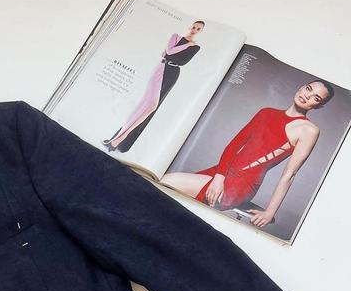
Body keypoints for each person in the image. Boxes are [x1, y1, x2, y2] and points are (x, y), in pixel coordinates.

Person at [161, 80, 334, 227]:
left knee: (167, 182)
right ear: (301, 87)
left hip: (240, 185)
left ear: (318, 106)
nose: (307, 96)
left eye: (316, 98)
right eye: (308, 89)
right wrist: (219, 177)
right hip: (221, 172)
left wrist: (270, 212)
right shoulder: (266, 112)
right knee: (170, 197)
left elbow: (290, 174)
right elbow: (234, 145)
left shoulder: (308, 130)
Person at [103, 21, 204, 152]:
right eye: (194, 27)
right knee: (146, 105)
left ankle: (122, 143)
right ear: (190, 26)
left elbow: (182, 61)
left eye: (198, 29)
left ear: (200, 32)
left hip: (173, 74)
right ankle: (116, 139)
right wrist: (185, 46)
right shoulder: (176, 37)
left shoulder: (196, 47)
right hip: (160, 69)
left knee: (152, 108)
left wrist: (173, 53)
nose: (194, 30)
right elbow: (169, 52)